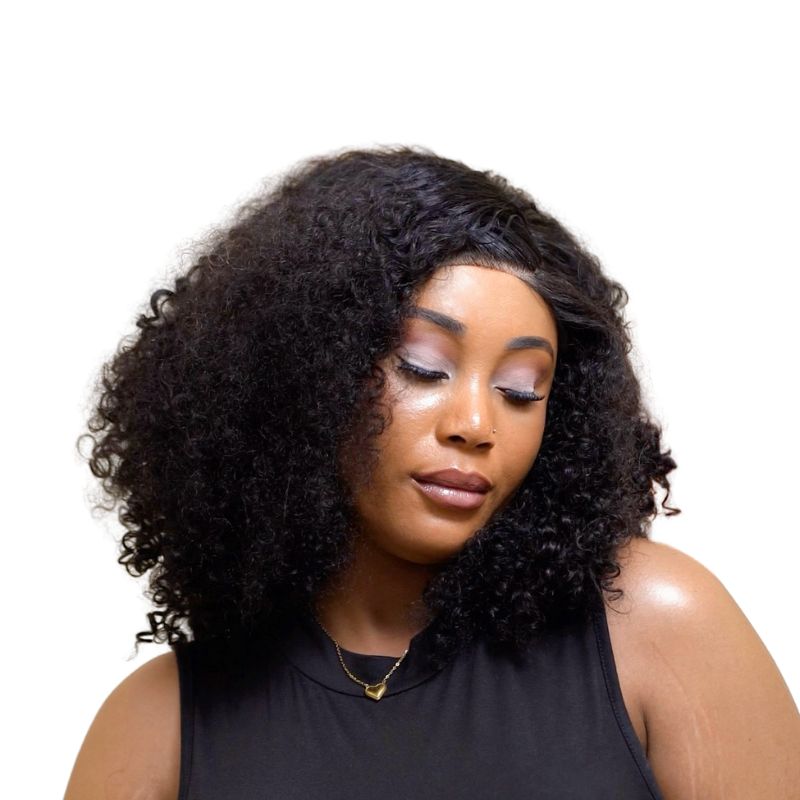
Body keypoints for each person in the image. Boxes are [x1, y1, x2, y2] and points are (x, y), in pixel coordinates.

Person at [66, 146, 800, 799]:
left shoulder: (655, 628)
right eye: (422, 367)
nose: (476, 424)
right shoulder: (159, 728)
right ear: (305, 374)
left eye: (520, 390)